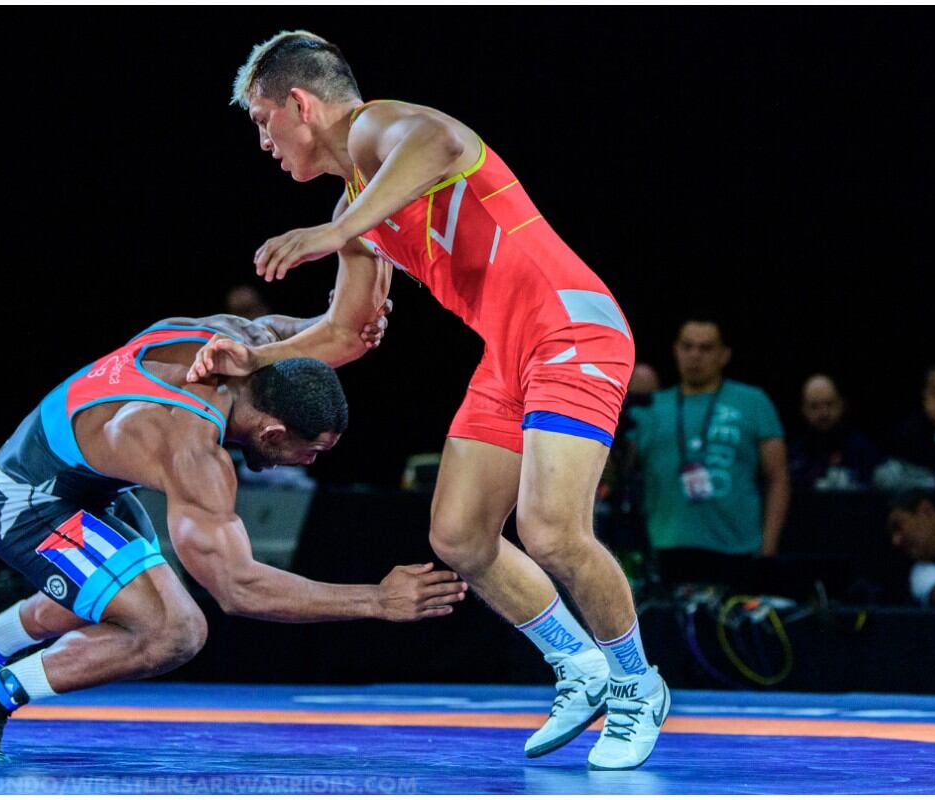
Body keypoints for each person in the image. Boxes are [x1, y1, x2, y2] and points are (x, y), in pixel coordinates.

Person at [191, 31, 669, 771]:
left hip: (573, 327)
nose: (263, 141)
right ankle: (582, 668)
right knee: (459, 536)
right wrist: (256, 360)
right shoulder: (358, 207)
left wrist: (335, 230)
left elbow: (444, 145)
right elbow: (347, 333)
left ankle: (639, 684)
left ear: (300, 103)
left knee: (550, 530)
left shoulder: (379, 129)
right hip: (510, 354)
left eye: (261, 120)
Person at [0, 310, 465, 761]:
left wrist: (361, 272)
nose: (309, 462)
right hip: (26, 500)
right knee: (173, 630)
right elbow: (239, 590)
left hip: (86, 483)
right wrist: (377, 600)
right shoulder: (192, 452)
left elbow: (339, 327)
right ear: (273, 431)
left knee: (117, 594)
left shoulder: (246, 341)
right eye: (311, 451)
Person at [630, 320, 790, 584]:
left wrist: (768, 548)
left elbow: (778, 478)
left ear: (724, 355)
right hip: (663, 545)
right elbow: (615, 472)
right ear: (675, 350)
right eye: (688, 346)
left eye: (705, 348)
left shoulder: (753, 401)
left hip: (737, 547)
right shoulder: (651, 407)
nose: (695, 355)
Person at [787, 374, 880, 491]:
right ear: (804, 410)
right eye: (814, 407)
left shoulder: (862, 449)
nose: (823, 413)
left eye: (829, 404)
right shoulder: (794, 455)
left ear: (841, 405)